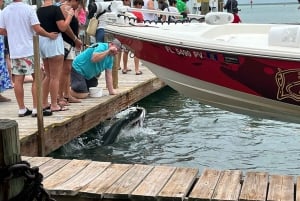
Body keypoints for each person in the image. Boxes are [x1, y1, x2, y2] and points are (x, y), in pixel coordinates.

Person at [0, 0, 58, 117]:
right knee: (38, 77)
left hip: (15, 50)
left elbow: (1, 30)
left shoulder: (5, 11)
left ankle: (22, 108)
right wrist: (49, 35)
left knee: (18, 79)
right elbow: (37, 28)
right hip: (29, 49)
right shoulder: (28, 9)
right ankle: (36, 108)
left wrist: (12, 33)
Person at [37, 0, 75, 113]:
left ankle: (43, 102)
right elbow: (62, 27)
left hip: (43, 42)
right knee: (55, 76)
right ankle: (54, 104)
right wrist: (69, 16)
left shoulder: (39, 10)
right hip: (54, 41)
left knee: (48, 75)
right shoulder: (55, 9)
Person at [58, 0, 83, 107]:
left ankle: (67, 94)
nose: (78, 5)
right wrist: (75, 38)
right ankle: (59, 96)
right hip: (65, 41)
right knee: (63, 71)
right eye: (78, 2)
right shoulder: (64, 7)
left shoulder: (71, 9)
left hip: (70, 43)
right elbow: (65, 26)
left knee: (68, 69)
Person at [122, 0, 143, 75]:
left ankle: (124, 68)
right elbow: (141, 24)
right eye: (141, 5)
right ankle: (137, 70)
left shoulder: (127, 11)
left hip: (126, 33)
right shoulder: (139, 13)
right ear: (138, 4)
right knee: (136, 52)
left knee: (125, 51)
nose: (141, 6)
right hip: (135, 34)